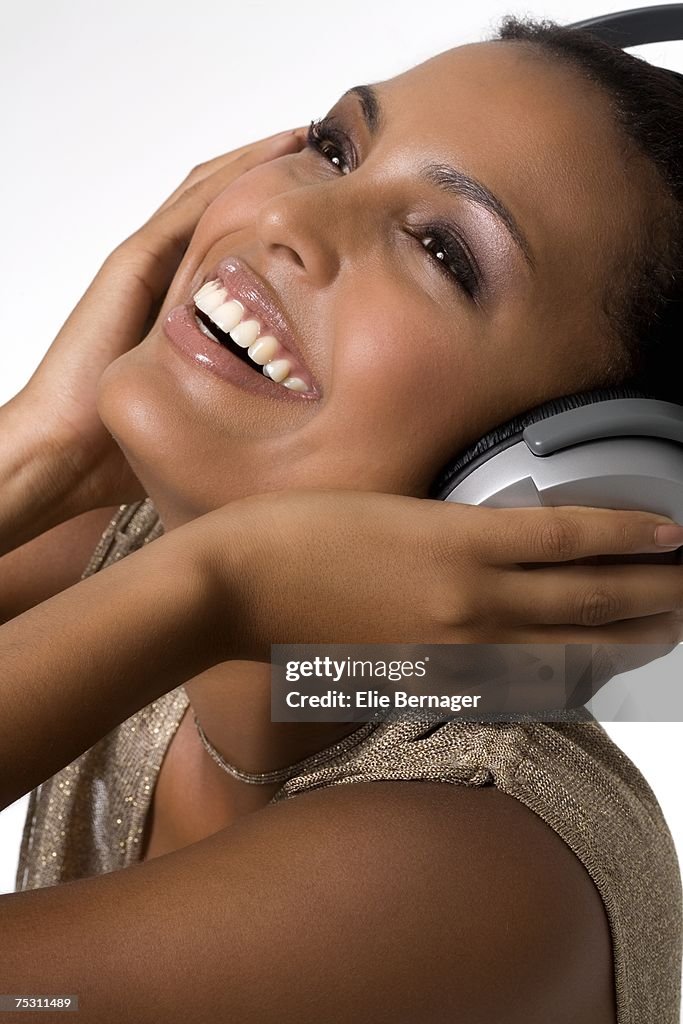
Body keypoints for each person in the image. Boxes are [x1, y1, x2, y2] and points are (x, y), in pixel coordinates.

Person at [1, 13, 682, 1023]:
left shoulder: (470, 873)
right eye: (334, 147)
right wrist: (34, 462)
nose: (288, 222)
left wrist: (219, 586)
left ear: (581, 484)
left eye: (442, 251)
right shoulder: (130, 553)